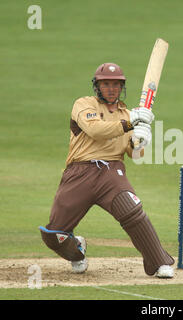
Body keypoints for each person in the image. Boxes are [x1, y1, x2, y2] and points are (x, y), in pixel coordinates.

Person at [39, 62, 175, 278]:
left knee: (132, 212)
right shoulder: (84, 104)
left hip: (111, 173)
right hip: (79, 173)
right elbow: (96, 131)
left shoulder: (130, 114)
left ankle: (160, 262)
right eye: (106, 84)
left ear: (121, 87)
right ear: (97, 86)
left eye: (115, 84)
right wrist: (130, 123)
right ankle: (77, 252)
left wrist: (141, 142)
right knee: (54, 234)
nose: (111, 88)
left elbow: (135, 156)